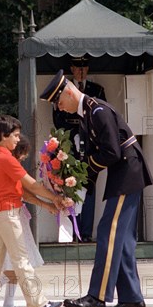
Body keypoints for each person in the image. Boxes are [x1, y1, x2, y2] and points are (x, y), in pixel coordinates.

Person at [40, 69, 153, 307]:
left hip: (127, 175)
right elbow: (96, 157)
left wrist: (85, 172)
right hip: (124, 175)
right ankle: (132, 298)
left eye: (59, 102)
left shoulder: (97, 111)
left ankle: (98, 296)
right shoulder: (88, 114)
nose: (60, 108)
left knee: (108, 233)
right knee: (121, 239)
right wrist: (78, 188)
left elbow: (111, 152)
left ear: (69, 92)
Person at [0, 115, 63, 307]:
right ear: (3, 136)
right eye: (14, 135)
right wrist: (56, 198)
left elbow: (21, 190)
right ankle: (37, 303)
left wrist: (48, 202)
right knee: (20, 258)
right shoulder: (5, 158)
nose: (17, 139)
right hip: (7, 212)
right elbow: (31, 184)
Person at [53, 56, 107, 243]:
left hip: (90, 147)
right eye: (78, 67)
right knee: (70, 187)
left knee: (89, 188)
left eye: (84, 67)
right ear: (72, 69)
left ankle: (85, 233)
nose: (81, 71)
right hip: (70, 148)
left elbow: (100, 119)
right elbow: (58, 120)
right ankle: (72, 231)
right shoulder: (64, 91)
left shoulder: (97, 90)